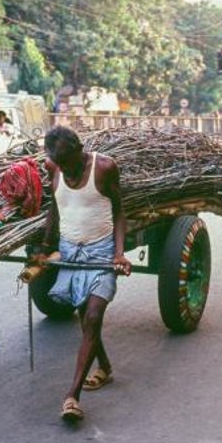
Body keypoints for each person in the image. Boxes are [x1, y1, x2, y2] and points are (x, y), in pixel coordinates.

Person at [35, 126, 131, 423]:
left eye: (68, 161)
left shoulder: (104, 167)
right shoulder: (56, 168)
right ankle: (105, 368)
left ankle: (72, 396)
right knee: (84, 313)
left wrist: (118, 253)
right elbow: (55, 208)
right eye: (59, 163)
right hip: (69, 251)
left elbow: (119, 212)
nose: (66, 168)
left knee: (91, 317)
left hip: (100, 252)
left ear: (80, 148)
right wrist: (46, 246)